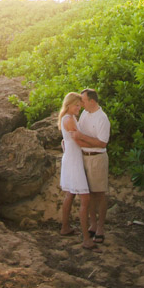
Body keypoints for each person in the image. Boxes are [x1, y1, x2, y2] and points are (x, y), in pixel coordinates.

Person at [58, 92, 98, 249]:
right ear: (69, 105)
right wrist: (98, 145)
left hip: (71, 158)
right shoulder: (68, 120)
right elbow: (79, 141)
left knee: (70, 194)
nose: (79, 108)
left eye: (80, 105)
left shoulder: (70, 118)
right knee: (85, 199)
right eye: (76, 105)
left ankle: (65, 227)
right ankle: (86, 239)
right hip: (74, 161)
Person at [77, 88, 111, 243]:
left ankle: (101, 228)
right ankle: (93, 224)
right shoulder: (84, 114)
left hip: (97, 159)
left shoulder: (102, 118)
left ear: (91, 101)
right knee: (88, 193)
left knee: (100, 194)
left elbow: (102, 142)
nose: (81, 103)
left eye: (83, 100)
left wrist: (82, 138)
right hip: (84, 157)